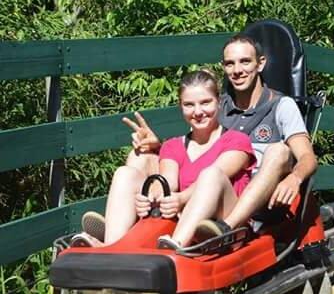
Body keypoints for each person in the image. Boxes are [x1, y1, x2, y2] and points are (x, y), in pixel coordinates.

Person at [80, 33, 317, 244]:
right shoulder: (216, 106)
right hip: (209, 187)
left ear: (260, 64)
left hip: (257, 200)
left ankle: (226, 228)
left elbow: (307, 157)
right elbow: (195, 148)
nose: (237, 70)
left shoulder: (281, 106)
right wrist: (158, 148)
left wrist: (294, 178)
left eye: (245, 61)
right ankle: (121, 231)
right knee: (140, 156)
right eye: (230, 63)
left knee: (278, 151)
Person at [72, 70, 255, 248]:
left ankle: (177, 245)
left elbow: (219, 173)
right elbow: (168, 181)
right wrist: (148, 198)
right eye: (189, 105)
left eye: (205, 102)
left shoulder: (237, 140)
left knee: (211, 174)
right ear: (180, 106)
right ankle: (111, 246)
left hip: (223, 224)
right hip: (183, 221)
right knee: (125, 173)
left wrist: (181, 198)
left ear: (219, 102)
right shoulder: (173, 146)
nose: (198, 112)